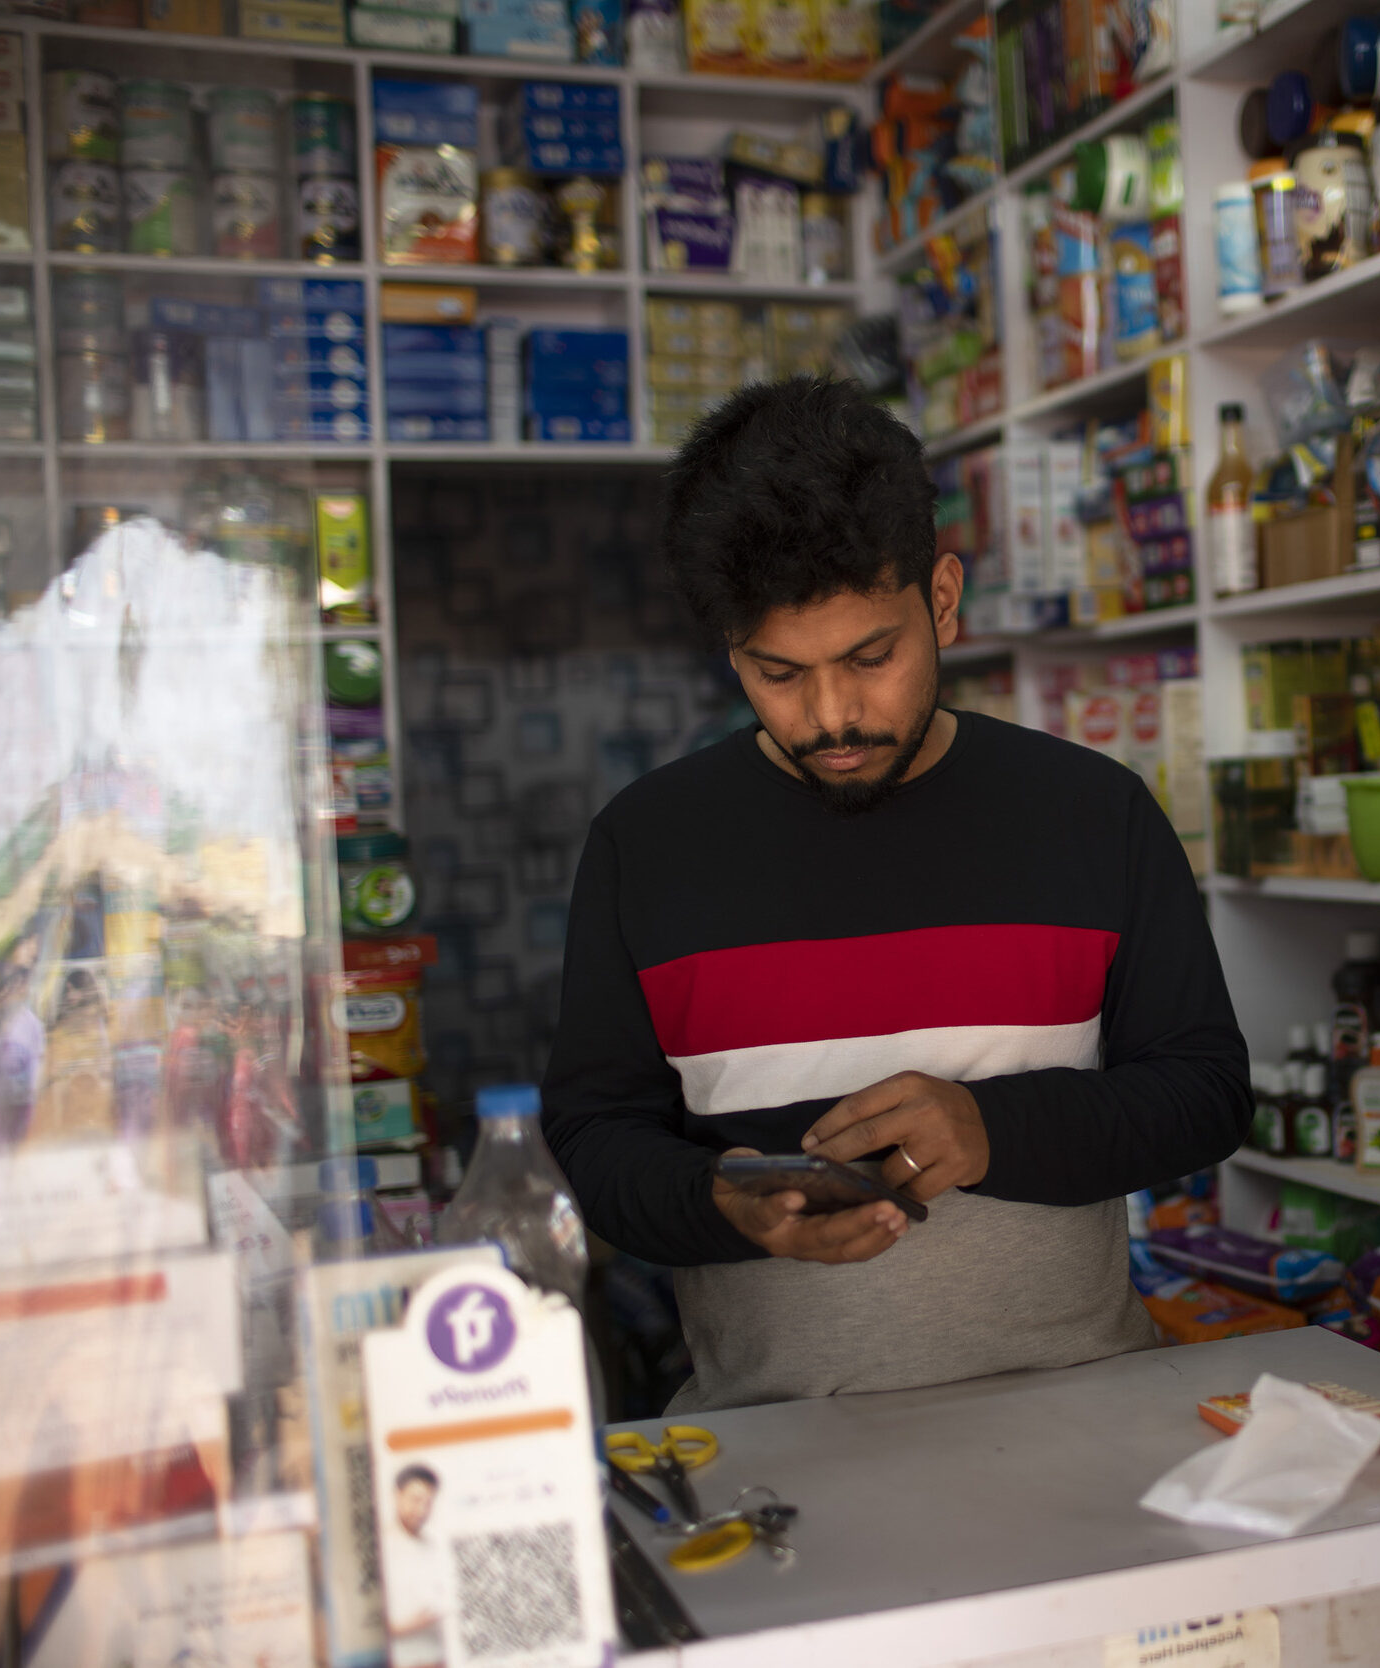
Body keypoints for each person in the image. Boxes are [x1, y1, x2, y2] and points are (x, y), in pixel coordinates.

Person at [543, 376, 1250, 1413]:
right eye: (777, 672)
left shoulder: (1092, 813)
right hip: (772, 1450)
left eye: (870, 657)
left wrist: (990, 1130)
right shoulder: (645, 845)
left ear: (944, 600)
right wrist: (720, 1204)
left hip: (1083, 1421)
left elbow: (1204, 1094)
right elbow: (596, 1139)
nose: (832, 715)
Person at [382, 1464, 445, 1667]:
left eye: (428, 1503)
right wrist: (410, 1626)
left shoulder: (432, 1546)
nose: (421, 1510)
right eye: (415, 1500)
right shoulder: (381, 1547)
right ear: (397, 1496)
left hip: (438, 1658)